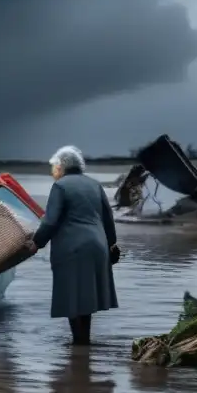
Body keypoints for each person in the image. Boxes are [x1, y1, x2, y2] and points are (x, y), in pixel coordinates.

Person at [28, 145, 119, 345]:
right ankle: (83, 343)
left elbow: (50, 221)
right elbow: (108, 219)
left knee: (72, 297)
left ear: (61, 167)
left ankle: (78, 346)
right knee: (85, 298)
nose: (52, 172)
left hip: (73, 248)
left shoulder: (60, 186)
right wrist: (112, 245)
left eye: (53, 167)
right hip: (98, 246)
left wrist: (36, 243)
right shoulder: (95, 185)